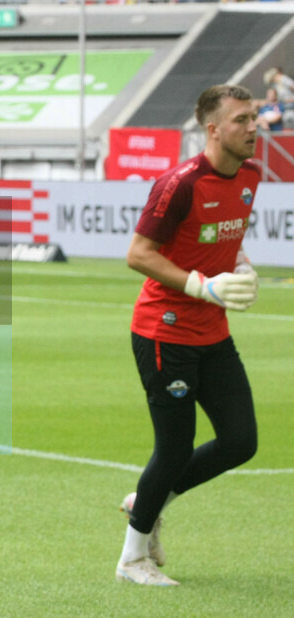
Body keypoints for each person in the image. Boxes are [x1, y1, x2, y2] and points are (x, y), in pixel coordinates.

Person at [117, 84, 260, 587]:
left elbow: (222, 237)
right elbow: (139, 254)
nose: (253, 127)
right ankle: (132, 559)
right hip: (165, 331)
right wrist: (203, 284)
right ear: (213, 129)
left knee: (241, 440)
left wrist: (241, 266)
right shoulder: (178, 183)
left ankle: (150, 503)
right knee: (174, 448)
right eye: (242, 119)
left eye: (255, 117)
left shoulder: (250, 177)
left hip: (212, 332)